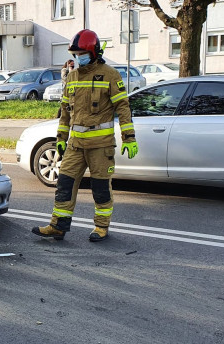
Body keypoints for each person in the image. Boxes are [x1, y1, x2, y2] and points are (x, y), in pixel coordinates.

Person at [32, 29, 138, 242]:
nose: (78, 58)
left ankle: (101, 227)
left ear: (93, 52)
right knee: (64, 185)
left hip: (100, 146)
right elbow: (65, 113)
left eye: (81, 53)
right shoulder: (71, 77)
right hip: (75, 146)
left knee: (100, 189)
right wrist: (61, 139)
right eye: (75, 54)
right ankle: (58, 226)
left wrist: (129, 138)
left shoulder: (110, 75)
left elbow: (123, 107)